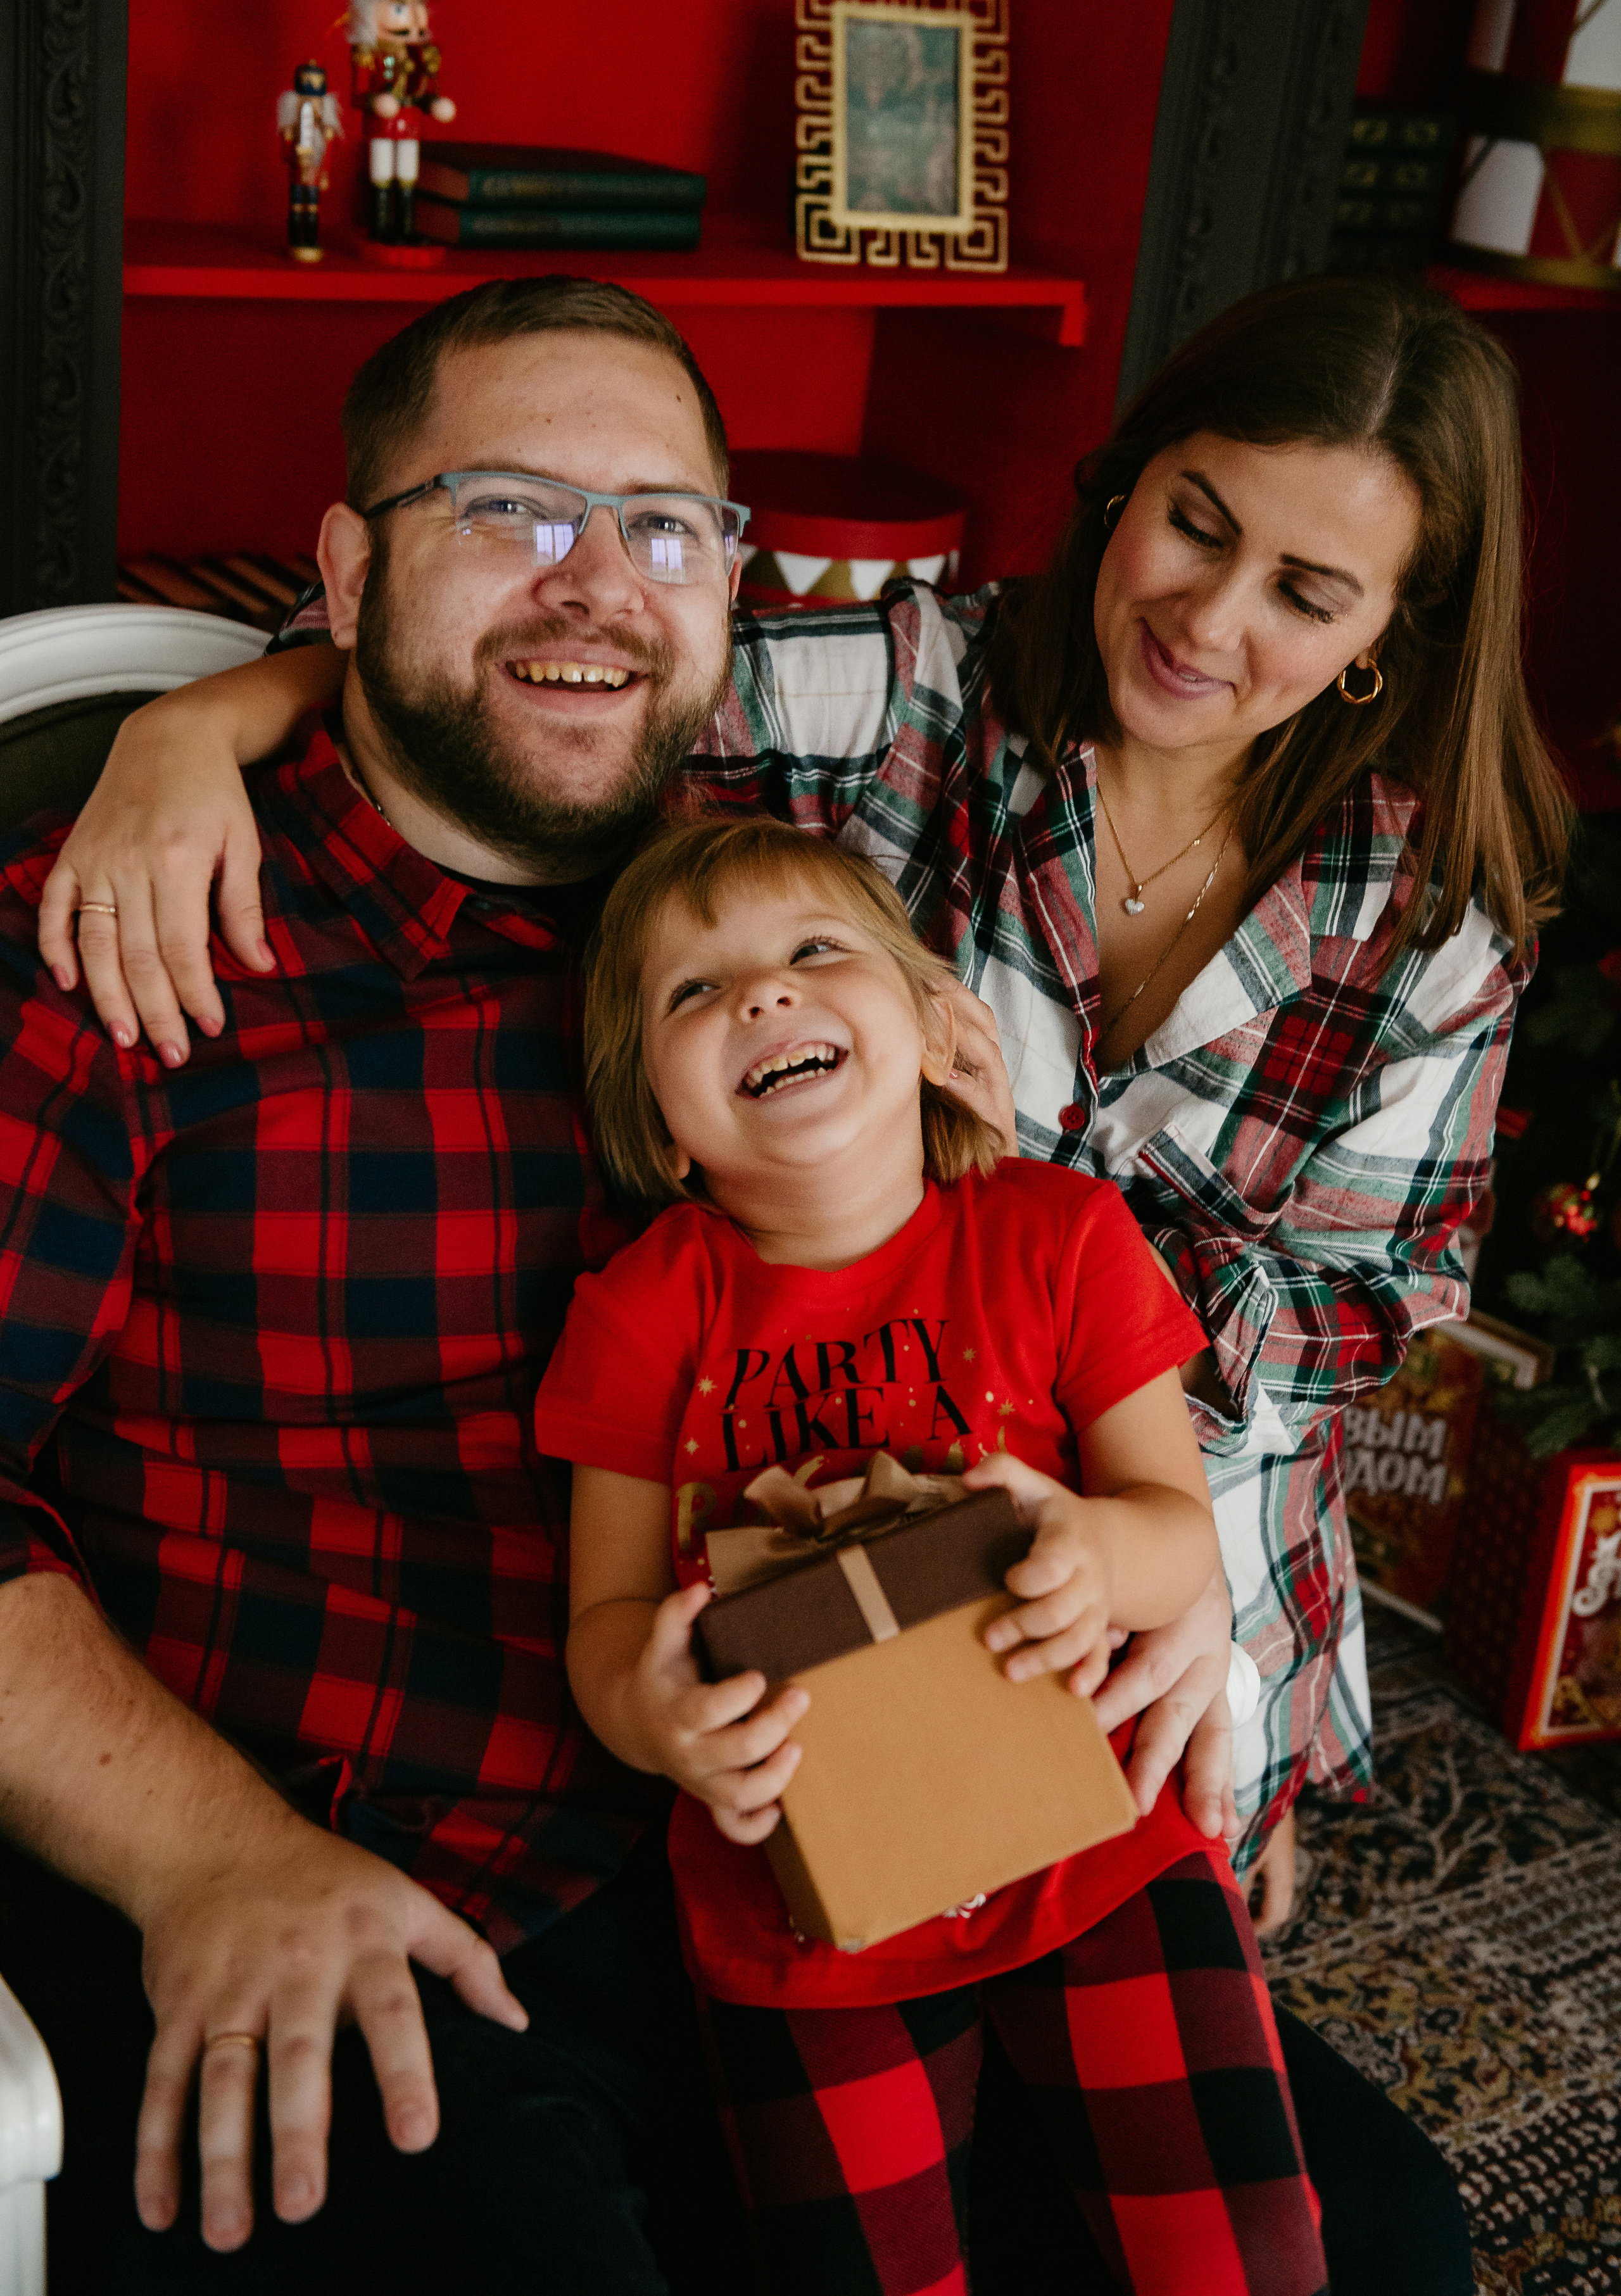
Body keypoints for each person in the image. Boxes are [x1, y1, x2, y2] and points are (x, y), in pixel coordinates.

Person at [9, 270, 1530, 2289]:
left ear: (728, 588)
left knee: (1381, 2242)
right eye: (506, 508)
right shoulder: (136, 942)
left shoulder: (777, 894)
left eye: (662, 526)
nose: (594, 584)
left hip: (908, 1752)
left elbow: (1295, 1343)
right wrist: (211, 1855)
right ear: (354, 568)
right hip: (392, 1853)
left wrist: (1183, 1611)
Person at [542, 809, 1326, 2296]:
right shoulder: (642, 1311)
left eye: (812, 948)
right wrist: (655, 1719)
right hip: (801, 1895)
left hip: (1103, 1830)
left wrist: (1096, 1551)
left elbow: (1175, 1540)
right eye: (694, 991)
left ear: (932, 1024)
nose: (764, 994)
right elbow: (606, 1624)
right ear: (654, 1118)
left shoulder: (1061, 1234)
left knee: (1244, 2254)